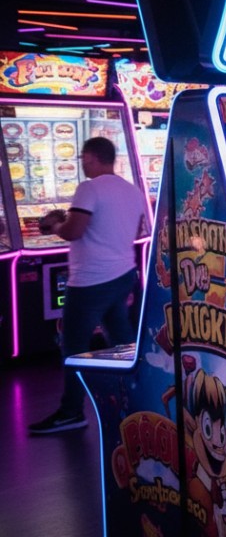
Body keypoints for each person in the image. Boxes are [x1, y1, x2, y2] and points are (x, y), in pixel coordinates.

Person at [29, 137, 148, 434]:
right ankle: (140, 400)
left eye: (83, 157)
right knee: (124, 343)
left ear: (93, 158)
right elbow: (132, 231)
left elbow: (73, 231)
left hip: (91, 280)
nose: (82, 163)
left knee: (73, 346)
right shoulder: (132, 191)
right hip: (124, 274)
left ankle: (71, 412)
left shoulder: (89, 188)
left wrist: (54, 225)